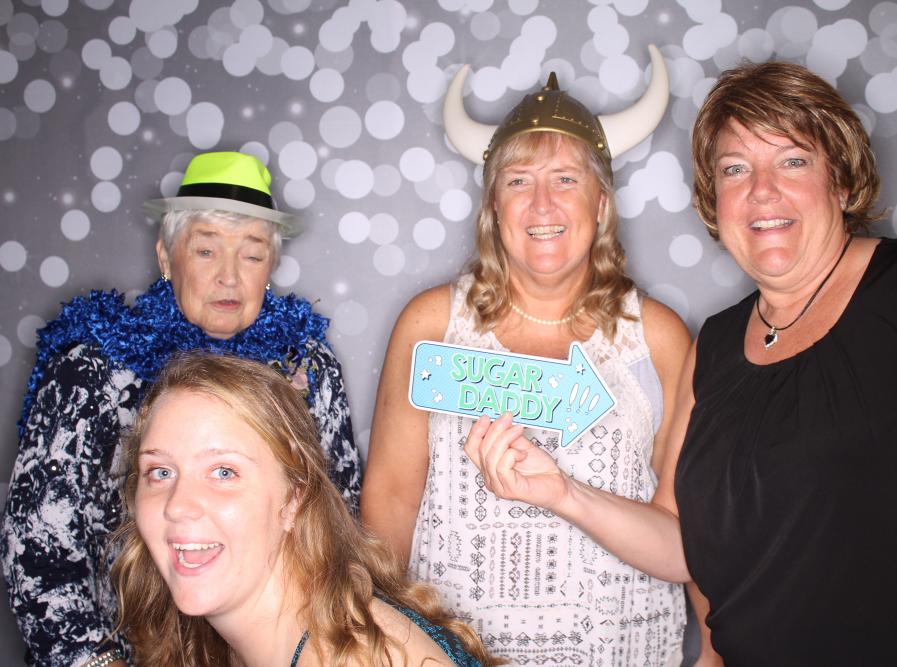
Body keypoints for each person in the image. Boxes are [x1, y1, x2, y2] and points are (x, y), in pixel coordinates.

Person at [463, 60, 897, 666]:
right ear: (715, 200)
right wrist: (561, 492)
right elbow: (681, 545)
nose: (761, 191)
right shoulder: (716, 344)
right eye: (735, 169)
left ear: (843, 183)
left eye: (792, 161)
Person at [362, 46, 692, 666]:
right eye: (519, 181)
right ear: (494, 206)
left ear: (601, 204)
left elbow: (690, 524)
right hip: (455, 653)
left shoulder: (659, 337)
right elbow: (391, 501)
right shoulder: (431, 325)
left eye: (566, 179)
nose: (542, 205)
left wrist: (716, 650)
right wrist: (379, 644)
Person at [1, 151, 361, 667]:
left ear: (272, 265)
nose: (229, 277)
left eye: (252, 254)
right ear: (167, 258)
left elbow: (338, 517)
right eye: (206, 251)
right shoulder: (94, 368)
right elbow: (37, 548)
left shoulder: (306, 366)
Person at [109, 352, 493, 666]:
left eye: (224, 472)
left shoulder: (358, 657)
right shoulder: (210, 637)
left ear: (294, 499)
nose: (178, 505)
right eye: (160, 472)